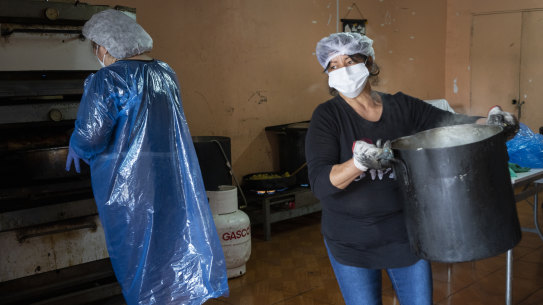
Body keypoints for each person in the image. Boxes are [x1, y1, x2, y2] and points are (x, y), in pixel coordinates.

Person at [305, 32, 518, 305]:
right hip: (351, 240)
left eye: (349, 61)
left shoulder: (402, 106)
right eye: (333, 66)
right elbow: (321, 184)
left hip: (405, 234)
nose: (342, 71)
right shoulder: (327, 117)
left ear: (367, 63)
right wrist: (358, 163)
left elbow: (452, 124)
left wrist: (493, 123)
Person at [65, 9, 228, 305]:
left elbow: (91, 135)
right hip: (170, 179)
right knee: (171, 246)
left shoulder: (107, 80)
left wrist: (77, 146)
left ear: (104, 46)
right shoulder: (165, 72)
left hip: (130, 190)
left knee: (138, 253)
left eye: (95, 47)